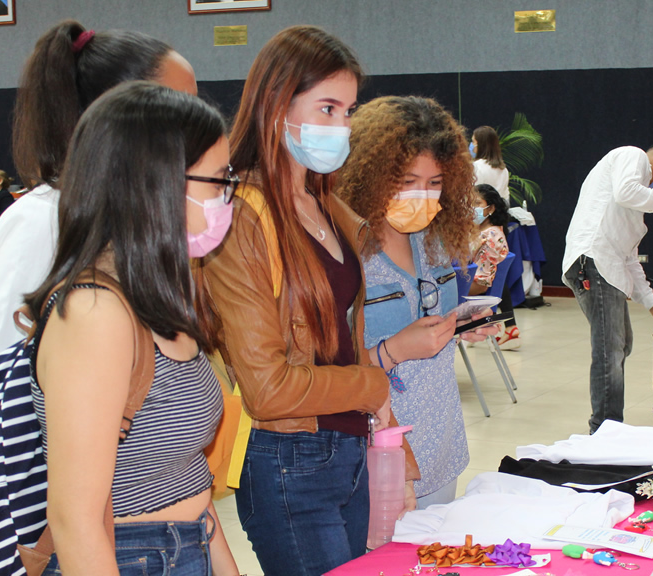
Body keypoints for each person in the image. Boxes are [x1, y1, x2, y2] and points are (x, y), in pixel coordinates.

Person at [196, 26, 419, 575]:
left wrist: (395, 454)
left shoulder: (326, 204)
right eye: (327, 108)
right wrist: (372, 384)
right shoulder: (242, 217)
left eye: (348, 111)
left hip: (351, 450)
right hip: (289, 461)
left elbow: (345, 338)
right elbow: (268, 389)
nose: (342, 126)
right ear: (276, 107)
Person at [25, 81, 237, 576]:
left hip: (187, 548)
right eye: (218, 181)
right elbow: (76, 521)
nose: (228, 198)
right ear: (156, 184)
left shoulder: (157, 296)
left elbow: (187, 477)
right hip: (129, 558)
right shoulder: (95, 312)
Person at [0, 20, 198, 372]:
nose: (198, 130)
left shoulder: (137, 213)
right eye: (180, 114)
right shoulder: (45, 220)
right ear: (114, 116)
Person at [337, 95, 497, 508]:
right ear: (370, 176)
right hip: (377, 458)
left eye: (434, 183)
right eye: (406, 182)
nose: (421, 197)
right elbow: (323, 374)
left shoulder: (436, 241)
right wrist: (393, 351)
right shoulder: (344, 255)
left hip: (442, 446)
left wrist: (467, 312)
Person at [561, 143, 653, 434]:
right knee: (610, 350)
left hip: (603, 266)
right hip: (593, 261)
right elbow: (627, 192)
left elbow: (630, 261)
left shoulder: (634, 210)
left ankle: (607, 425)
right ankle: (604, 430)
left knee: (621, 346)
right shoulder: (632, 156)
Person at [471, 183, 522, 348]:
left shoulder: (488, 236)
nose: (471, 209)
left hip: (477, 290)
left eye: (477, 204)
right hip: (481, 288)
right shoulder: (492, 232)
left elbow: (482, 280)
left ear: (490, 208)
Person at [471, 126, 511, 205]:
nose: (471, 145)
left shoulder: (476, 167)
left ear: (480, 145)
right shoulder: (504, 170)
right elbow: (506, 199)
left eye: (473, 142)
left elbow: (472, 197)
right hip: (500, 214)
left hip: (481, 214)